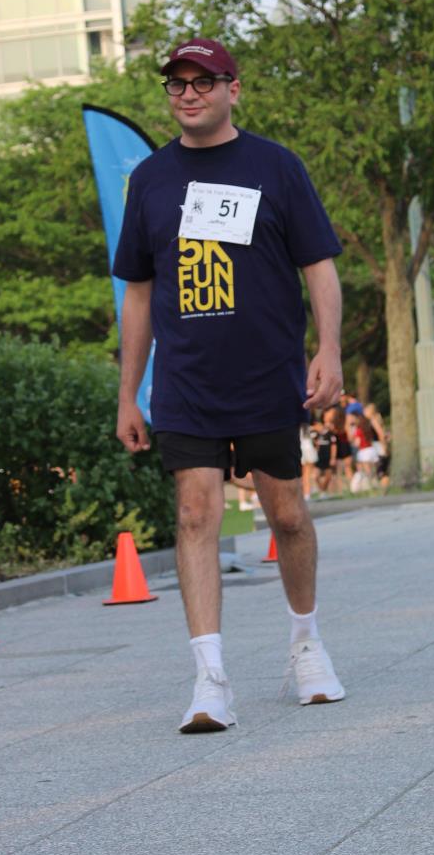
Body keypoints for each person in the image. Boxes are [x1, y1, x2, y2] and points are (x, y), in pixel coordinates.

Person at [114, 36, 346, 732]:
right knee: (195, 515)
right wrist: (129, 393)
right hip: (186, 381)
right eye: (177, 84)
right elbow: (137, 292)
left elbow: (319, 265)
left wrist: (329, 350)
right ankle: (209, 676)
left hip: (268, 375)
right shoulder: (150, 180)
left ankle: (306, 643)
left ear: (233, 89)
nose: (189, 94)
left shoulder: (276, 166)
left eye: (203, 82)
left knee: (287, 516)